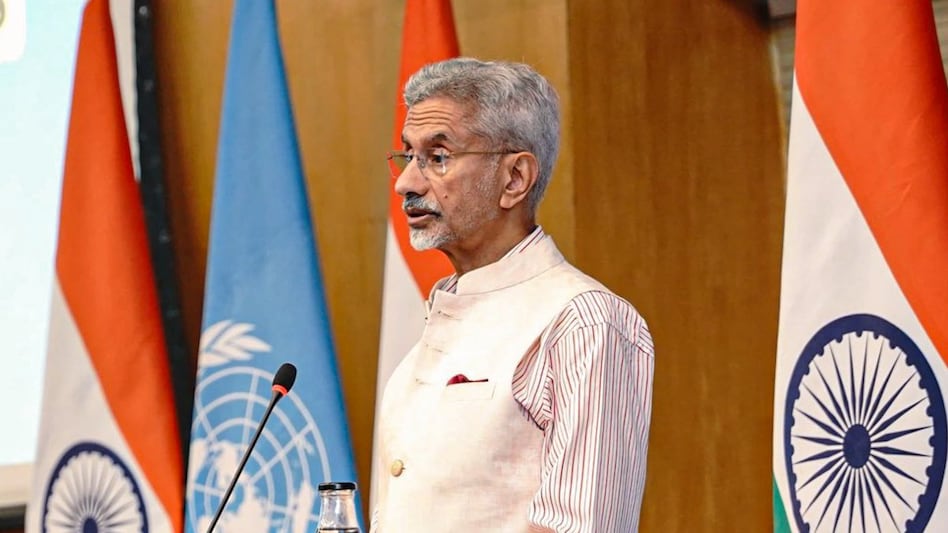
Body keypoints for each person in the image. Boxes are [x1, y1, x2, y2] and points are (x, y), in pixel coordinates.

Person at [373, 57, 654, 532]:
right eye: (408, 155)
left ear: (515, 179)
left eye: (438, 158)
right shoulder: (445, 314)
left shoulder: (582, 321)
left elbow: (582, 526)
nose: (406, 182)